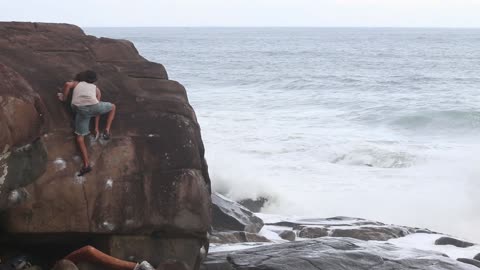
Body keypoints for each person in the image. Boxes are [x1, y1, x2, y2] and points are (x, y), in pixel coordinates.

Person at [60, 70, 116, 176]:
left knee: (80, 138)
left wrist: (64, 97)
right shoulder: (96, 89)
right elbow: (97, 109)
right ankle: (107, 130)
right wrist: (96, 128)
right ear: (94, 81)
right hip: (94, 108)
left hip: (81, 110)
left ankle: (86, 164)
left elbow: (67, 84)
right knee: (113, 107)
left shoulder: (77, 83)